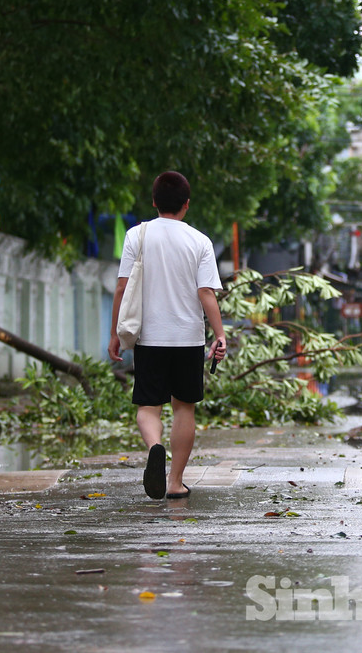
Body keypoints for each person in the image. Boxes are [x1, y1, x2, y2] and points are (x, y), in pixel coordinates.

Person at [108, 171, 227, 500]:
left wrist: (116, 333)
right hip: (188, 338)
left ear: (154, 202)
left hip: (149, 337)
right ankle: (175, 482)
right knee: (183, 408)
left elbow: (122, 287)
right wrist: (219, 334)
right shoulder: (200, 241)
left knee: (148, 407)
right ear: (187, 205)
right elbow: (206, 292)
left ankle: (155, 446)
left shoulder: (137, 236)